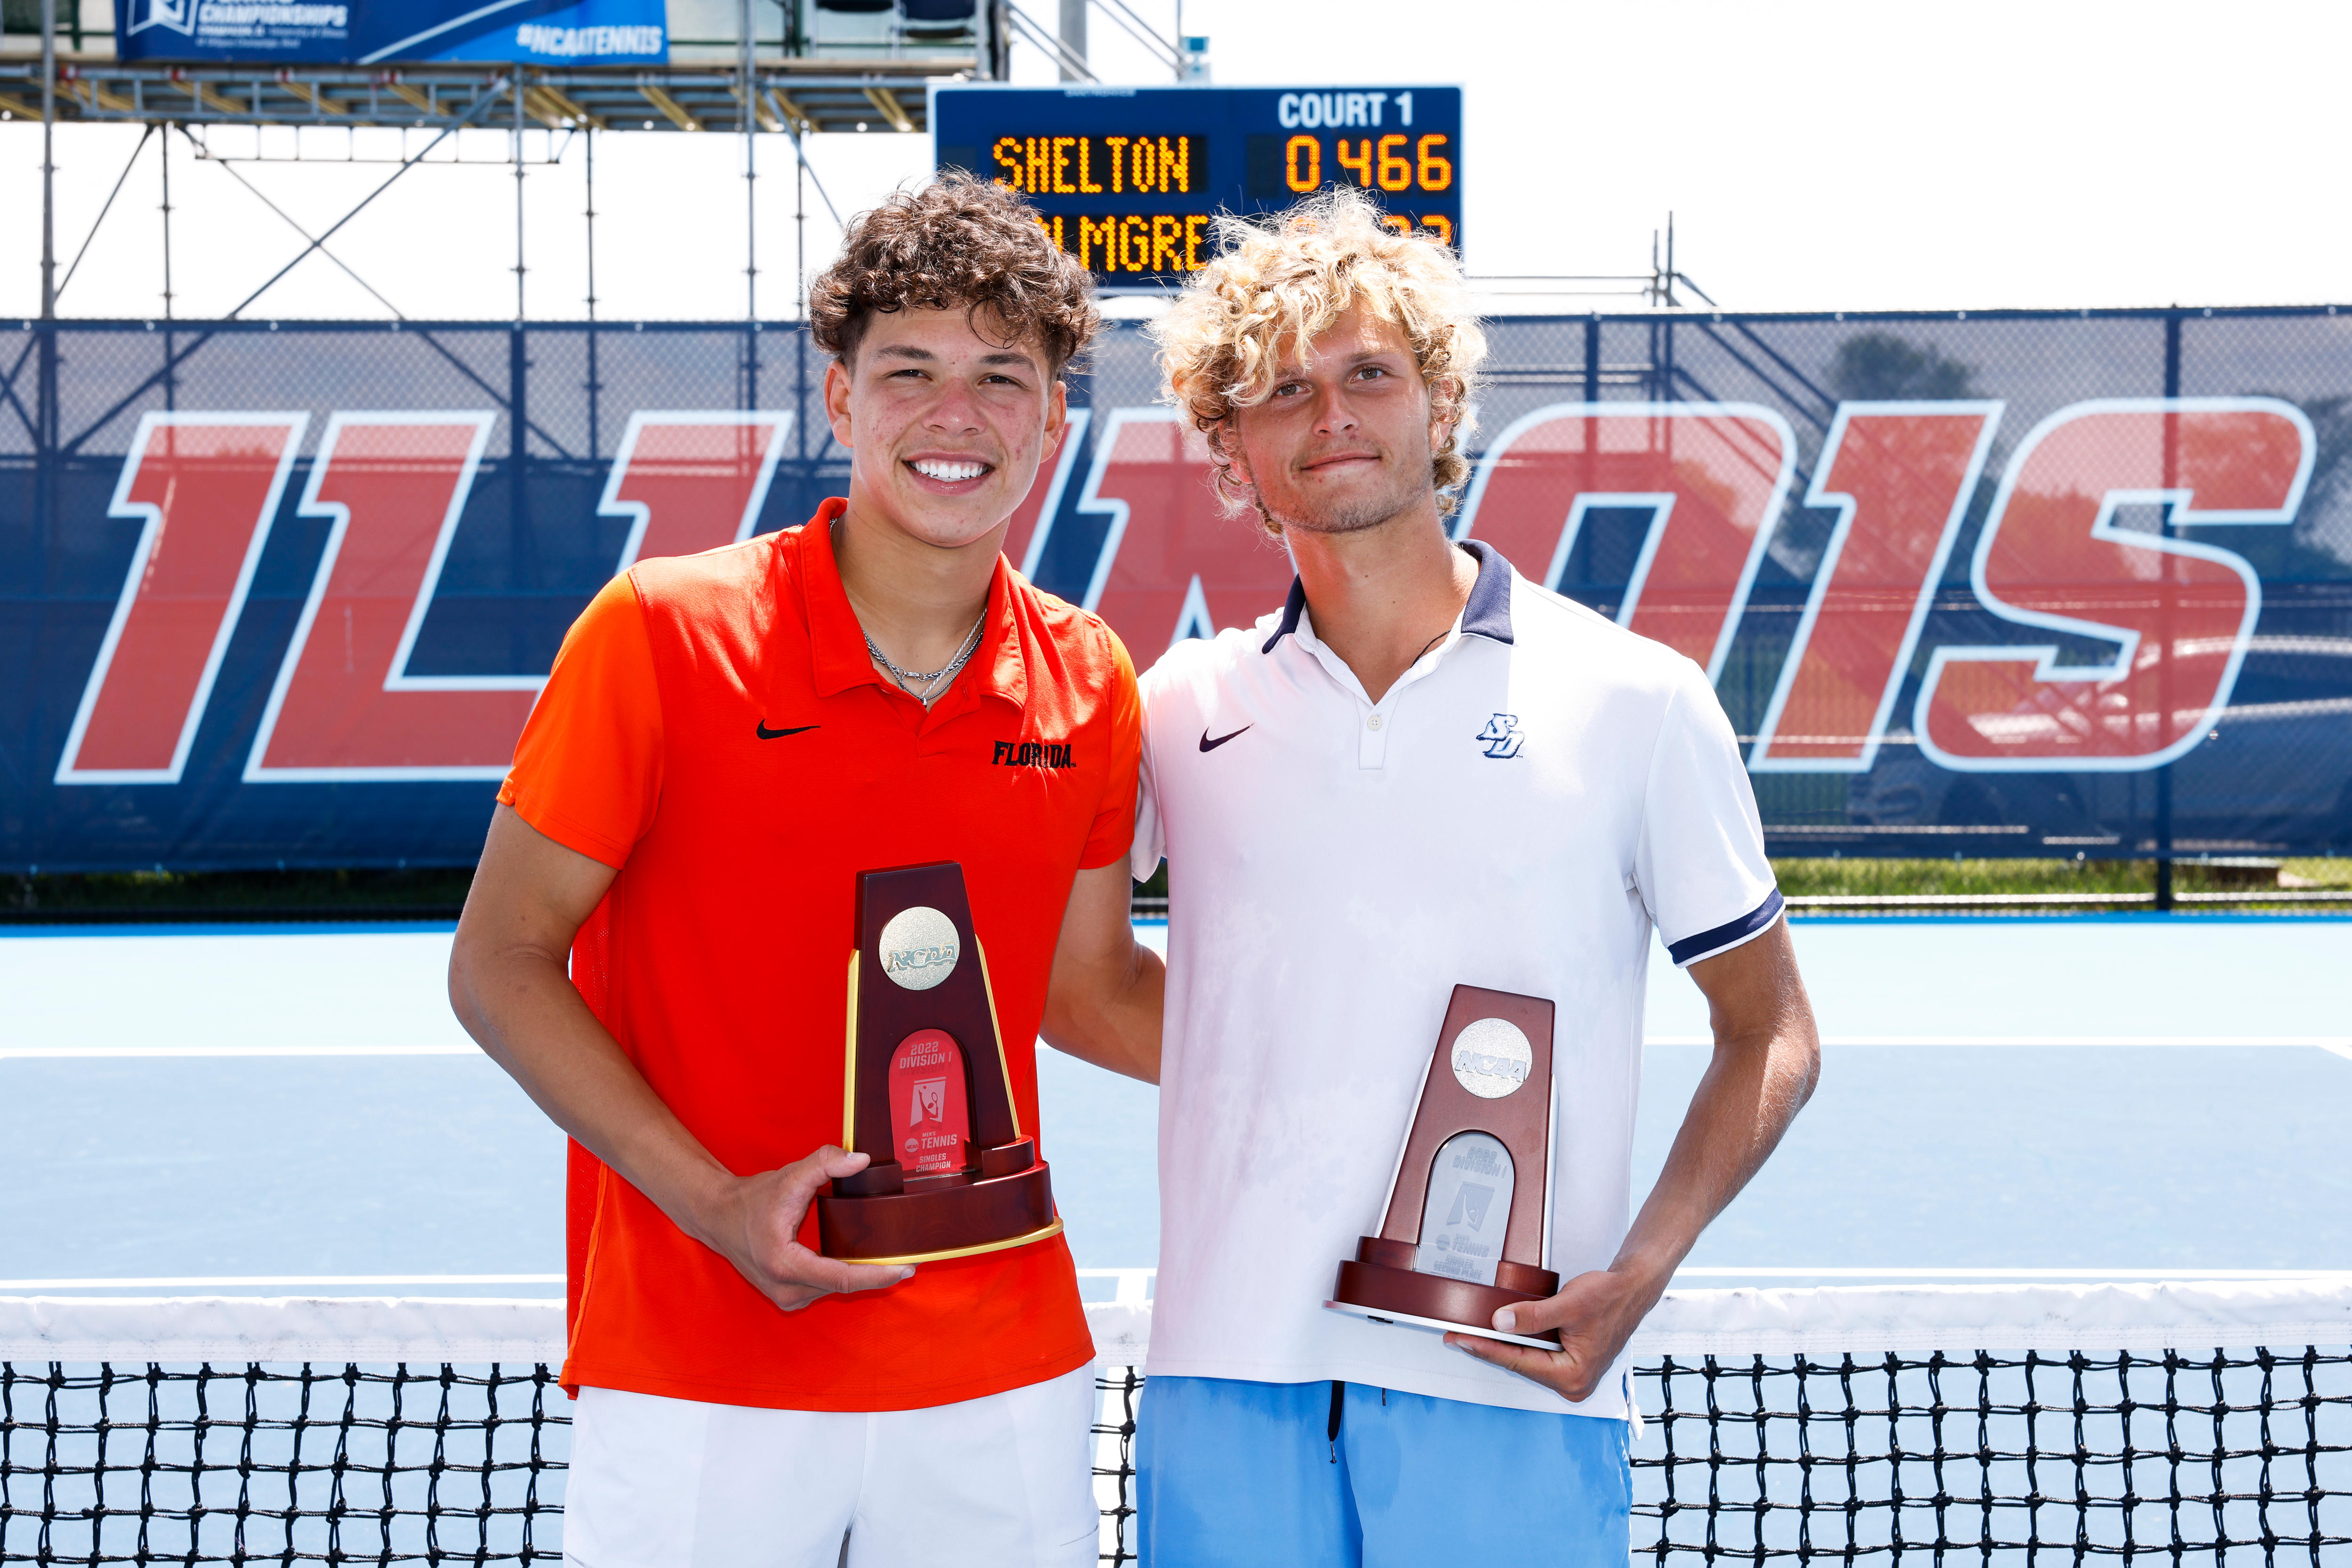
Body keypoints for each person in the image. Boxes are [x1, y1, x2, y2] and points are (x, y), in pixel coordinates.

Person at [447, 174, 1163, 1568]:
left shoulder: (1091, 679)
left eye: (1002, 378)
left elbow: (1093, 993)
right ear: (841, 403)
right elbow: (500, 962)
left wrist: (1342, 1054)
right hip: (700, 1361)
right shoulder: (660, 631)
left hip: (999, 1370)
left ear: (1054, 422)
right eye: (911, 371)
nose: (956, 416)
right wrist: (717, 1204)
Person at [1122, 187, 1823, 1564]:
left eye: (1369, 372)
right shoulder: (1174, 709)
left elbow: (1773, 1032)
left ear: (1442, 406)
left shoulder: (1636, 698)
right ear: (1229, 454)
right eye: (1280, 392)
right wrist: (1284, 1054)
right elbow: (1062, 979)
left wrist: (1641, 1272)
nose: (1332, 416)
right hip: (1225, 1379)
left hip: (1507, 1383)